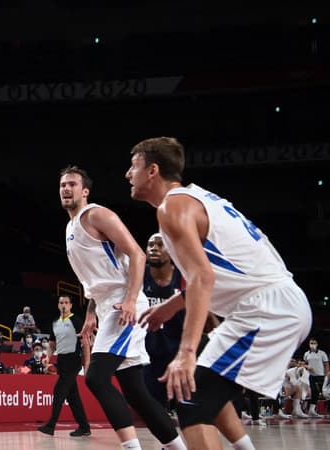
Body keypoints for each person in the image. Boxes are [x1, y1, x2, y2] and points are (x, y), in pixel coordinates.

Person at [127, 136, 312, 450]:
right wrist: (172, 305)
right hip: (276, 303)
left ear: (153, 171)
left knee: (190, 398)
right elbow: (219, 271)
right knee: (202, 389)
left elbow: (203, 276)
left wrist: (185, 353)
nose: (128, 175)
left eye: (133, 166)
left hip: (267, 310)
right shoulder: (201, 198)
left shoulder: (172, 206)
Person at [59, 166, 186, 450]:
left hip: (125, 304)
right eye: (62, 185)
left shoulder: (96, 215)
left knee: (96, 378)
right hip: (107, 307)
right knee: (136, 393)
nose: (66, 189)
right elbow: (95, 281)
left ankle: (131, 447)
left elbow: (137, 254)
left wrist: (130, 300)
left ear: (85, 191)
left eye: (72, 184)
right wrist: (91, 314)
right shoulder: (70, 228)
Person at [143, 233, 185, 412]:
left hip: (177, 349)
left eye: (160, 245)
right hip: (147, 350)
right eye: (150, 244)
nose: (154, 248)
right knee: (154, 407)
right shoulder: (139, 274)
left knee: (186, 406)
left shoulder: (183, 275)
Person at [38, 295, 91, 437]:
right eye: (61, 302)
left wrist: (87, 363)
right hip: (61, 360)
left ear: (71, 305)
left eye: (66, 303)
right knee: (73, 396)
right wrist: (47, 357)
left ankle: (51, 425)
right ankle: (84, 427)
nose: (64, 305)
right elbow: (52, 344)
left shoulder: (77, 321)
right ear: (58, 305)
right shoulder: (55, 322)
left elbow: (85, 342)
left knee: (59, 390)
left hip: (73, 359)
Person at [303, 337, 328, 417]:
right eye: (311, 343)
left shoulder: (322, 353)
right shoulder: (307, 354)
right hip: (311, 376)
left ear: (317, 344)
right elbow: (305, 364)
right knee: (314, 392)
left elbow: (326, 364)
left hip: (321, 375)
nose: (312, 345)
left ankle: (315, 410)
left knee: (323, 393)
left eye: (314, 343)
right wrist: (308, 367)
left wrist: (326, 374)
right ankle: (311, 410)